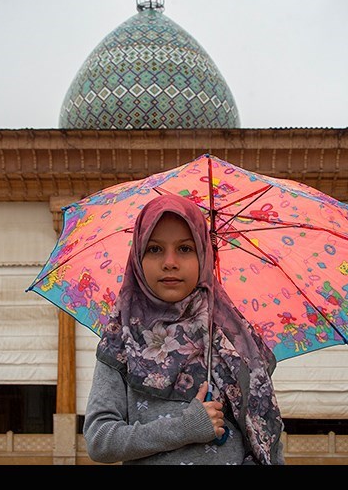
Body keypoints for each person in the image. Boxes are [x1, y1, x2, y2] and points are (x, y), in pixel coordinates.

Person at [83, 193, 284, 465]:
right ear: (137, 258)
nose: (170, 262)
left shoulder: (233, 339)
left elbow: (264, 437)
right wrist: (185, 428)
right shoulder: (121, 340)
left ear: (204, 255)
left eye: (185, 249)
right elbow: (100, 440)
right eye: (154, 249)